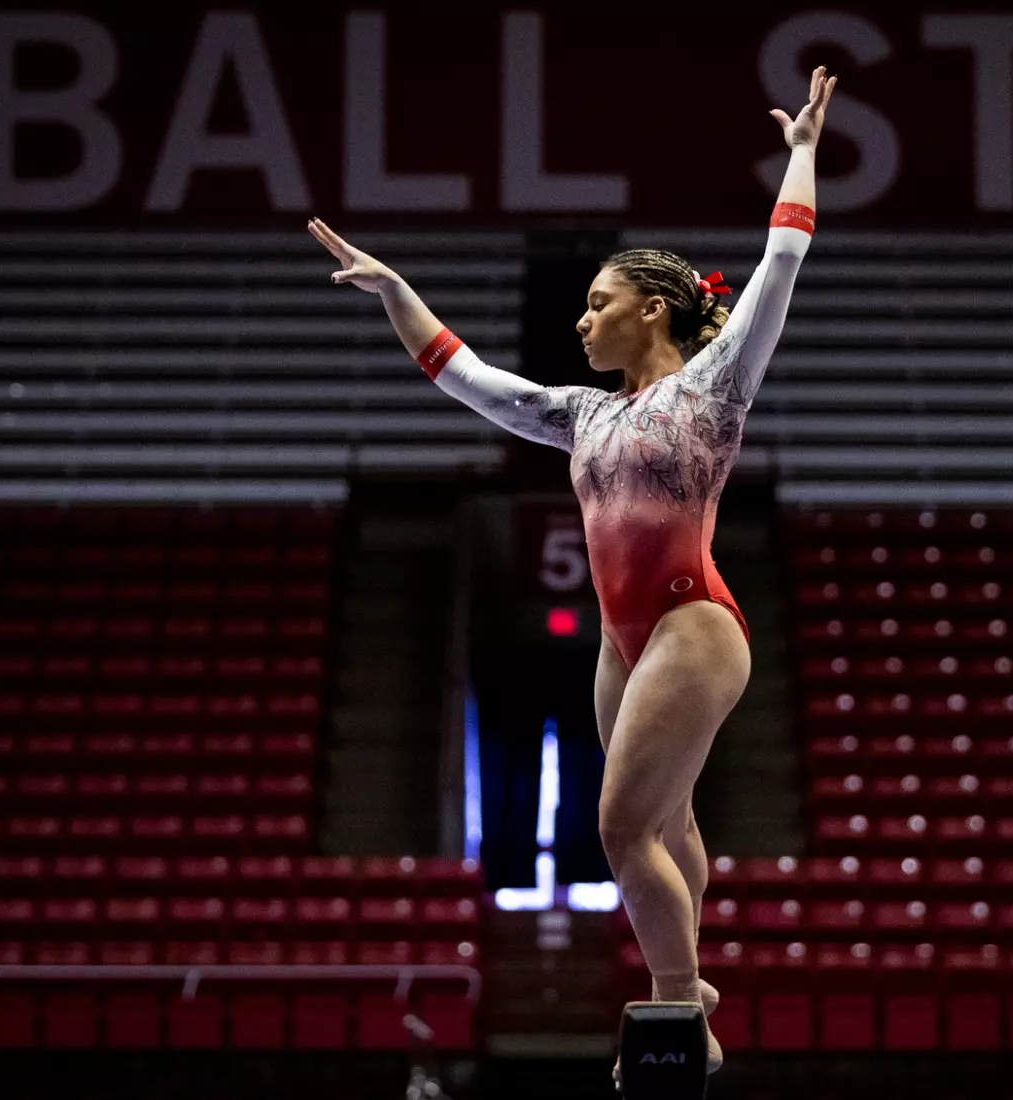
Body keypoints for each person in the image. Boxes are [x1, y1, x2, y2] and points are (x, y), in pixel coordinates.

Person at [310, 66, 837, 1072]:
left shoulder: (715, 387)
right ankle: (691, 969)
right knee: (666, 817)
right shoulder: (582, 414)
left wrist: (803, 151)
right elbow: (469, 379)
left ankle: (680, 1006)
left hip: (692, 621)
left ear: (652, 309)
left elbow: (780, 262)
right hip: (622, 640)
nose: (582, 321)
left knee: (618, 822)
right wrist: (395, 290)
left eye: (600, 305)